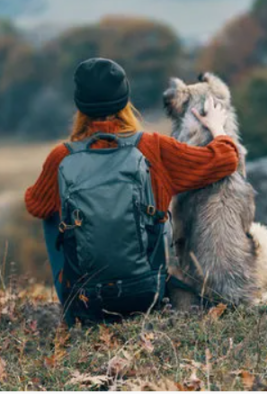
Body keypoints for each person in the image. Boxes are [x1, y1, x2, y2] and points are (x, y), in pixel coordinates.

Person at [24, 58, 238, 324]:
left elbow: (35, 205)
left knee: (52, 214)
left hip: (85, 303)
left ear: (80, 105)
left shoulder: (61, 157)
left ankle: (72, 301)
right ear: (125, 100)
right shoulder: (152, 148)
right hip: (146, 295)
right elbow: (226, 160)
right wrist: (216, 127)